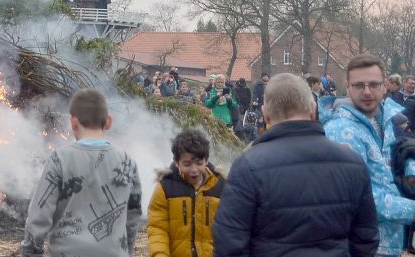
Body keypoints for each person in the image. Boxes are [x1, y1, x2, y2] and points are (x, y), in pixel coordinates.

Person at [213, 73, 378, 256]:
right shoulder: (353, 164)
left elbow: (229, 245)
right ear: (313, 109)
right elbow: (366, 238)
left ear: (265, 114)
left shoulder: (247, 167)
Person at [322, 54, 415, 257]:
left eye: (374, 84)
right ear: (347, 86)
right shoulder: (341, 130)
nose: (367, 91)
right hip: (361, 245)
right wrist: (410, 209)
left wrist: (414, 174)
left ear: (385, 85)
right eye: (359, 85)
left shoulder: (385, 121)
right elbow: (351, 196)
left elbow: (387, 171)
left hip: (388, 242)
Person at [22, 88, 142, 257]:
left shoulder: (59, 159)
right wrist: (127, 251)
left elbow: (39, 216)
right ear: (108, 122)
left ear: (73, 122)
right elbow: (132, 216)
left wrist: (31, 253)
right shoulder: (127, 162)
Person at [147, 129, 224, 257]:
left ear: (206, 160)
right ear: (177, 162)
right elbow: (157, 228)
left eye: (199, 163)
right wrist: (159, 253)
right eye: (187, 164)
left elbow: (229, 228)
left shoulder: (220, 186)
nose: (194, 170)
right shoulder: (165, 187)